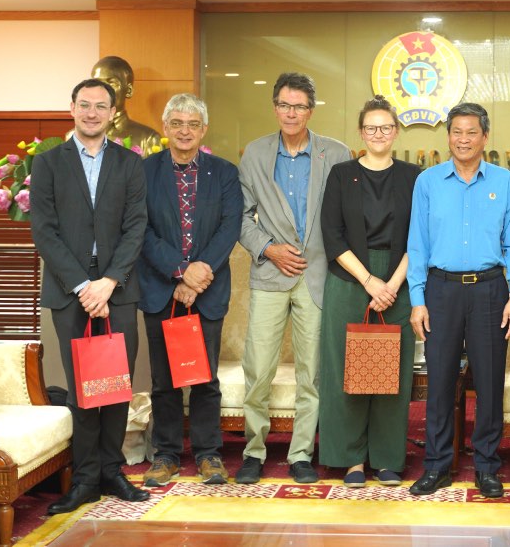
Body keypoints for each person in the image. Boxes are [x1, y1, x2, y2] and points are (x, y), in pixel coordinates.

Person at [30, 79, 150, 514]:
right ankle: (84, 479)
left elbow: (137, 224)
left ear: (112, 112)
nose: (92, 113)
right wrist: (84, 285)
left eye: (101, 106)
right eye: (85, 105)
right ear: (72, 109)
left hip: (117, 288)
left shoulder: (130, 164)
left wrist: (110, 281)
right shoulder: (46, 164)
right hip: (71, 289)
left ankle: (112, 472)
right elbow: (44, 230)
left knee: (117, 384)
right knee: (83, 385)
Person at [407, 102, 510, 498]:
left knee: (490, 382)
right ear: (448, 137)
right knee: (439, 380)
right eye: (456, 131)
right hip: (440, 291)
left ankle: (487, 467)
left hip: (491, 289)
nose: (463, 139)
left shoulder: (506, 182)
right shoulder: (427, 182)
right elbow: (417, 244)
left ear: (485, 137)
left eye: (471, 132)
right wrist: (418, 299)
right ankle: (437, 466)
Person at [236, 72, 350, 484]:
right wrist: (269, 249)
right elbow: (242, 216)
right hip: (270, 272)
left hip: (319, 276)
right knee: (259, 367)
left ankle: (301, 453)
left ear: (311, 110)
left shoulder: (336, 154)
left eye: (299, 106)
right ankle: (254, 451)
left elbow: (343, 219)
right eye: (284, 104)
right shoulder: (254, 154)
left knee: (313, 373)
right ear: (275, 107)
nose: (291, 113)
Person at [137, 93, 243, 486]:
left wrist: (198, 277)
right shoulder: (143, 172)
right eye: (177, 123)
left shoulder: (225, 172)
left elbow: (229, 228)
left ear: (204, 130)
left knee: (204, 377)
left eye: (193, 124)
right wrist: (180, 272)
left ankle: (209, 453)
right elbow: (141, 230)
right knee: (163, 380)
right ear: (166, 128)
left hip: (208, 291)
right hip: (160, 289)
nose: (185, 131)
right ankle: (165, 454)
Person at [318, 96, 421, 487]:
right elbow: (332, 234)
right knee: (347, 369)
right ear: (361, 133)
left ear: (396, 131)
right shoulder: (341, 175)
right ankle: (351, 459)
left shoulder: (414, 176)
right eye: (371, 128)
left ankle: (387, 458)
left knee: (390, 370)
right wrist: (368, 281)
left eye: (386, 127)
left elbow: (421, 237)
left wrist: (392, 285)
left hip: (399, 279)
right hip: (350, 279)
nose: (379, 134)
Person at [91, 55, 162, 153]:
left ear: (129, 91)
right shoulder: (75, 137)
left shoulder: (149, 139)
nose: (103, 90)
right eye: (96, 83)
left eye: (112, 83)